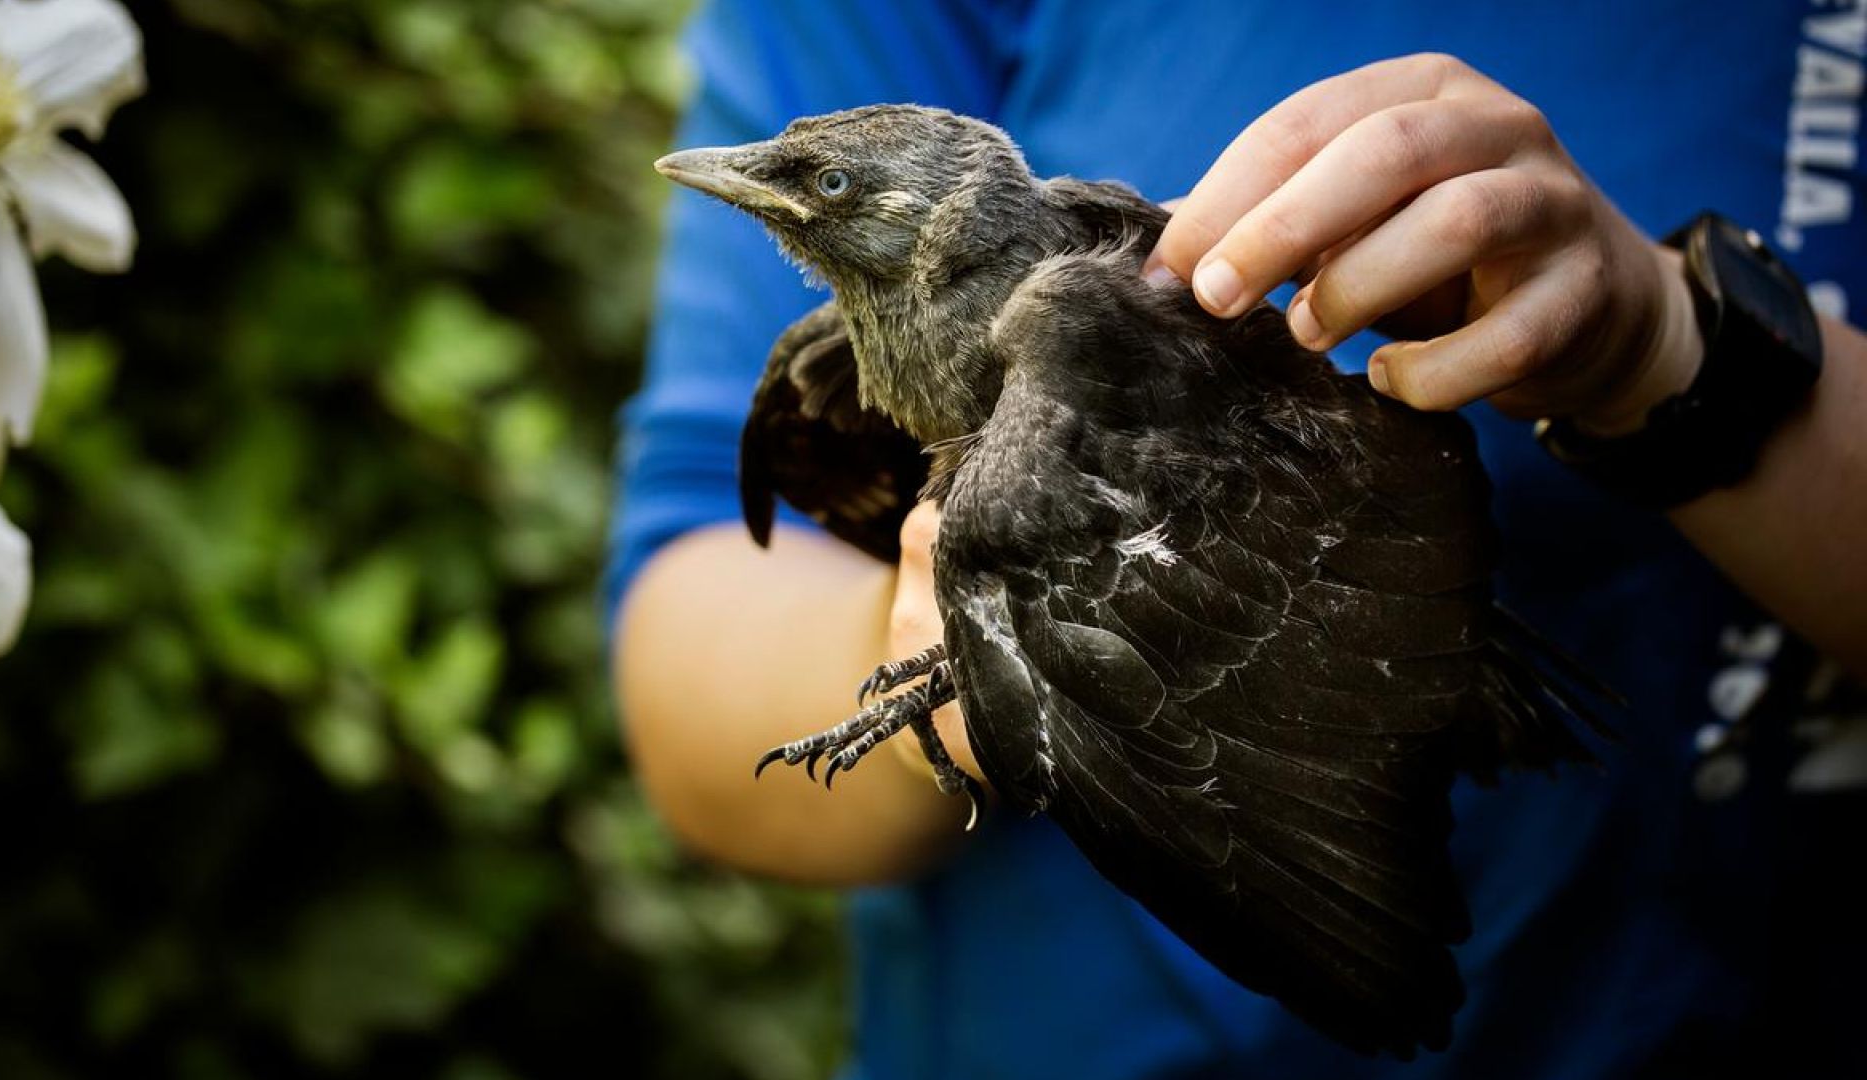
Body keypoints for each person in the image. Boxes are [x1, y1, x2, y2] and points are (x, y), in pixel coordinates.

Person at [608, 2, 1867, 1076]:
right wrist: (966, 652)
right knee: (827, 397)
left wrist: (1662, 349)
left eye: (823, 185)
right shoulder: (884, 328)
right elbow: (699, 620)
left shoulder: (1062, 339)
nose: (757, 184)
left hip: (1695, 1002)